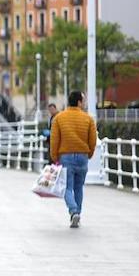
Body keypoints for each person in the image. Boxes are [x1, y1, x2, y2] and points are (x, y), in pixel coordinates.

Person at [50, 89, 97, 229]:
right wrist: (89, 154)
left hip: (66, 156)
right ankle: (77, 214)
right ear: (78, 102)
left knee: (67, 188)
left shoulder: (59, 118)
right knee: (79, 188)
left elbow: (54, 140)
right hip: (82, 156)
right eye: (83, 100)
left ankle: (73, 211)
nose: (83, 103)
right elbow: (93, 140)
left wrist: (54, 157)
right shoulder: (88, 118)